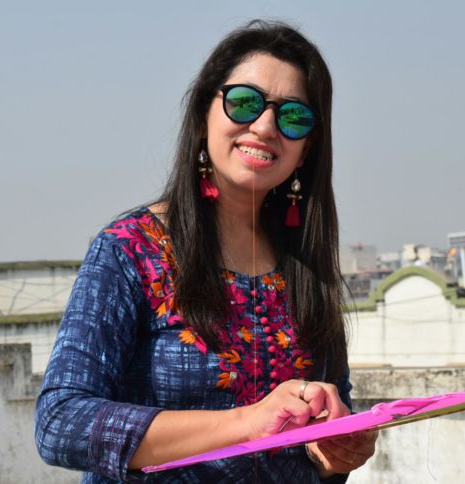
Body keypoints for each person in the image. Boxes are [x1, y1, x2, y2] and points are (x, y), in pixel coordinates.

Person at [35, 20, 378, 483]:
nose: (265, 127)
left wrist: (334, 449)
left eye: (294, 117)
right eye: (244, 103)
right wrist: (247, 423)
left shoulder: (305, 265)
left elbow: (328, 420)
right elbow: (60, 422)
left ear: (308, 148)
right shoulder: (131, 250)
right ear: (203, 114)